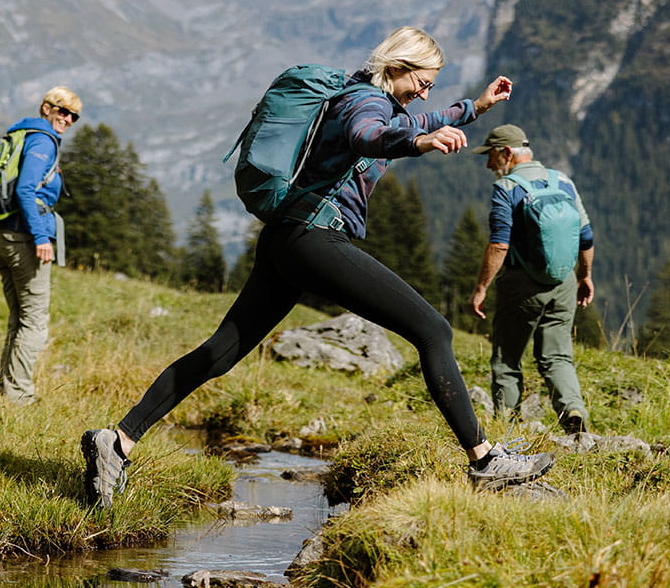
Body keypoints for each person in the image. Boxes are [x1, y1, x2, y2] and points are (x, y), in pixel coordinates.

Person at [79, 26, 556, 507]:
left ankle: (117, 442)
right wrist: (421, 144)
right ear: (396, 68)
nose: (425, 93)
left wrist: (475, 107)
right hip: (314, 237)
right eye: (423, 81)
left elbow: (419, 118)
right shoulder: (365, 104)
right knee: (433, 330)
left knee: (221, 352)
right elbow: (368, 136)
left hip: (286, 238)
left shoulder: (370, 98)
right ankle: (485, 460)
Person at [468, 123, 594, 433]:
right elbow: (586, 235)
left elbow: (499, 243)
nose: (488, 164)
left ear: (507, 153)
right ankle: (573, 411)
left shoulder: (507, 187)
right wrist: (584, 276)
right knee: (557, 355)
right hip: (563, 282)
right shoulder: (563, 181)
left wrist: (481, 287)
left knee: (507, 359)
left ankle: (506, 428)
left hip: (521, 285)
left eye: (492, 156)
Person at [0, 86, 81, 404]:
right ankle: (19, 395)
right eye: (63, 111)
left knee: (19, 317)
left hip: (5, 234)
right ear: (47, 108)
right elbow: (25, 191)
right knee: (34, 321)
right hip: (26, 239)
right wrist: (41, 239)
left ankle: (7, 387)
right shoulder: (42, 141)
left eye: (74, 116)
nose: (68, 119)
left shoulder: (26, 135)